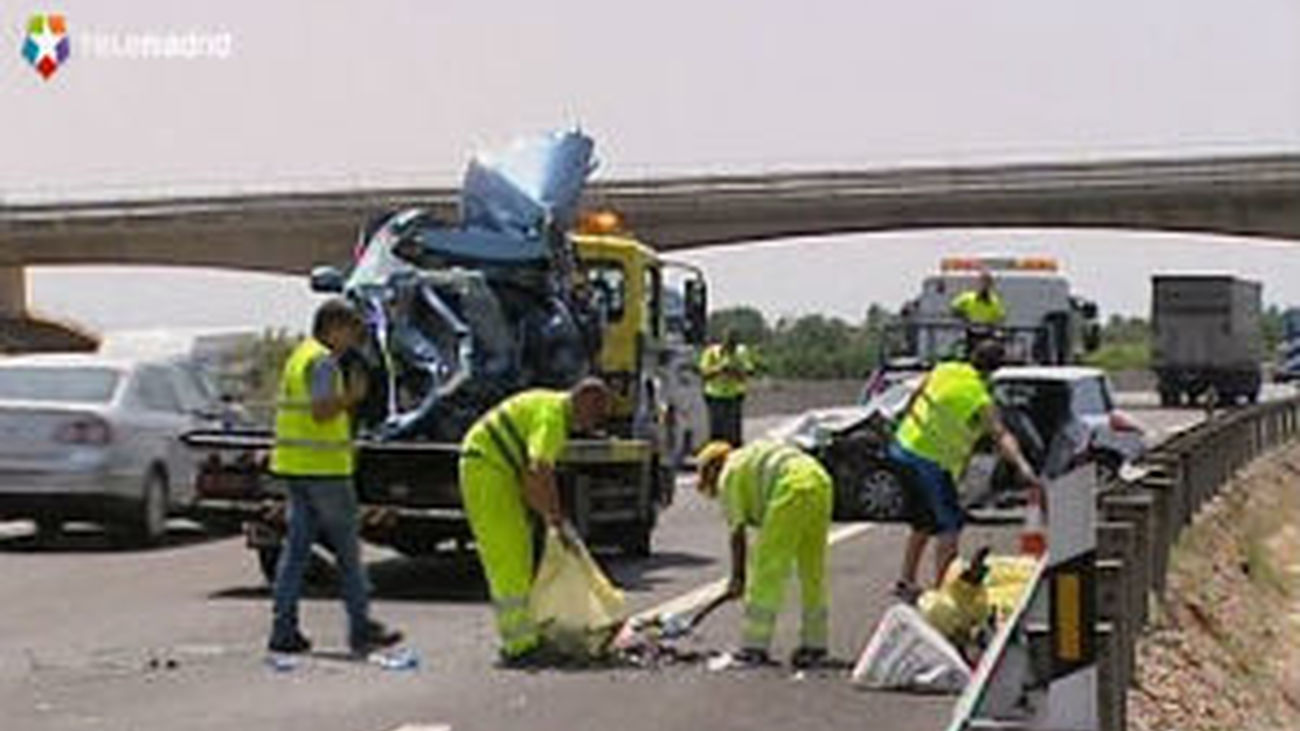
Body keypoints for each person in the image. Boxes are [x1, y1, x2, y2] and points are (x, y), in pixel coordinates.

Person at [267, 299, 402, 656]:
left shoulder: (300, 356)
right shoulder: (323, 362)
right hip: (325, 471)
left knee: (296, 551)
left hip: (296, 468)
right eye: (351, 332)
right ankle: (361, 629)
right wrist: (353, 397)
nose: (353, 341)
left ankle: (284, 629)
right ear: (333, 328)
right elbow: (322, 410)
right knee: (347, 553)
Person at [458, 379, 612, 666]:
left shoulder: (551, 407)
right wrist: (555, 518)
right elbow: (539, 469)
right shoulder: (553, 417)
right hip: (488, 469)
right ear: (584, 401)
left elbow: (533, 479)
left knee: (522, 553)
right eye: (597, 413)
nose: (595, 423)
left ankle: (525, 636)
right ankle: (519, 646)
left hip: (494, 467)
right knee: (509, 558)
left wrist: (551, 518)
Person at [889, 340, 1040, 600]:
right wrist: (1023, 466)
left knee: (923, 521)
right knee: (951, 524)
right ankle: (944, 591)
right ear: (993, 371)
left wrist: (901, 421)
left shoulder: (944, 369)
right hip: (931, 461)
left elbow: (915, 396)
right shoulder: (979, 397)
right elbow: (1000, 435)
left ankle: (906, 580)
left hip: (903, 448)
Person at [695, 439, 832, 669]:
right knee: (812, 569)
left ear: (712, 469)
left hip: (790, 489)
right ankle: (815, 643)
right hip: (820, 481)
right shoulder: (749, 455)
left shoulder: (729, 474)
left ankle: (754, 646)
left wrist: (738, 577)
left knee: (768, 568)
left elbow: (737, 533)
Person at [699, 329, 757, 445]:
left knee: (734, 431)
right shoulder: (711, 352)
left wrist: (734, 370)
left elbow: (749, 371)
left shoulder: (741, 352)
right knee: (716, 430)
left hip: (734, 395)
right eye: (728, 343)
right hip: (715, 395)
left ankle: (735, 452)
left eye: (733, 344)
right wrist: (719, 369)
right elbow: (703, 373)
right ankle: (716, 455)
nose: (730, 348)